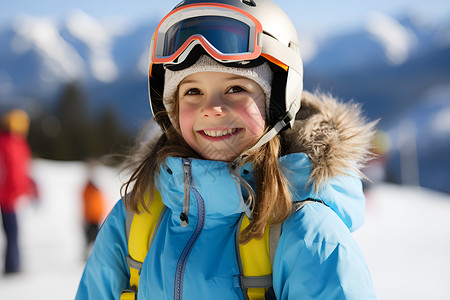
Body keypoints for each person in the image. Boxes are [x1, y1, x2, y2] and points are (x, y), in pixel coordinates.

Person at [76, 0, 378, 299]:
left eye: (236, 88)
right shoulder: (135, 219)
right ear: (171, 108)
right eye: (193, 91)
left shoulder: (308, 237)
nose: (212, 109)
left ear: (277, 102)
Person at [0, 109, 34, 274]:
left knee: (14, 232)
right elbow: (10, 172)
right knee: (12, 231)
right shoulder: (7, 143)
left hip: (15, 197)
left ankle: (13, 264)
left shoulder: (18, 143)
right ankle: (12, 266)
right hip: (8, 197)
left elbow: (23, 169)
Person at [81, 162, 107, 259]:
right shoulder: (88, 189)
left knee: (95, 238)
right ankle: (88, 254)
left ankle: (94, 254)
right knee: (90, 238)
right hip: (90, 218)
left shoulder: (95, 189)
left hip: (95, 218)